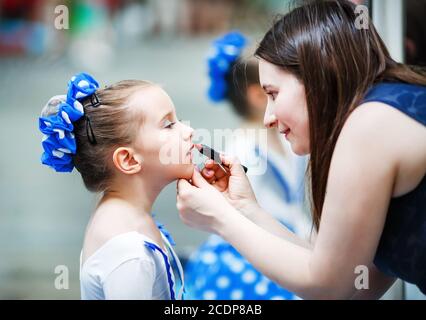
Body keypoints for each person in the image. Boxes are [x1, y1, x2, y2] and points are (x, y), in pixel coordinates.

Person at [176, 0, 426, 299]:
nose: (268, 117)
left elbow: (329, 285)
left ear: (319, 75)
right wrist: (246, 209)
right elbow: (349, 280)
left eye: (274, 93)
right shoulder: (380, 110)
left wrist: (220, 219)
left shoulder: (368, 125)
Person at [39, 73, 194, 299]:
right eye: (169, 125)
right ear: (128, 160)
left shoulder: (125, 215)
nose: (188, 131)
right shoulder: (131, 255)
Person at [185, 31, 311, 300]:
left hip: (288, 240)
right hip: (252, 254)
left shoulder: (288, 135)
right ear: (257, 96)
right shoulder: (241, 148)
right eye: (274, 91)